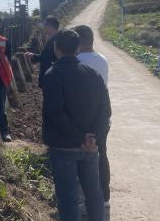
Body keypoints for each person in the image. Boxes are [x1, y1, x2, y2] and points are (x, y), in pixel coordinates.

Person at [42, 29, 111, 221]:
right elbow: (105, 109)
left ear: (56, 48)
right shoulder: (93, 74)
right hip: (90, 146)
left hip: (63, 146)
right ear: (77, 48)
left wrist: (79, 137)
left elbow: (55, 112)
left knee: (68, 198)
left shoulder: (52, 74)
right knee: (94, 194)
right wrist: (94, 137)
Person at [74, 24, 111, 212]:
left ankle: (83, 202)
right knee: (101, 156)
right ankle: (104, 198)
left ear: (77, 41)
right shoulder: (102, 59)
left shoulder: (76, 61)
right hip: (101, 118)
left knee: (81, 161)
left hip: (82, 120)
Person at [24, 15, 60, 89]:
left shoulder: (56, 41)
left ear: (51, 26)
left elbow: (54, 59)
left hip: (52, 79)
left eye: (45, 24)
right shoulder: (51, 39)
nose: (43, 26)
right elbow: (46, 57)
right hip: (48, 76)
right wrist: (33, 55)